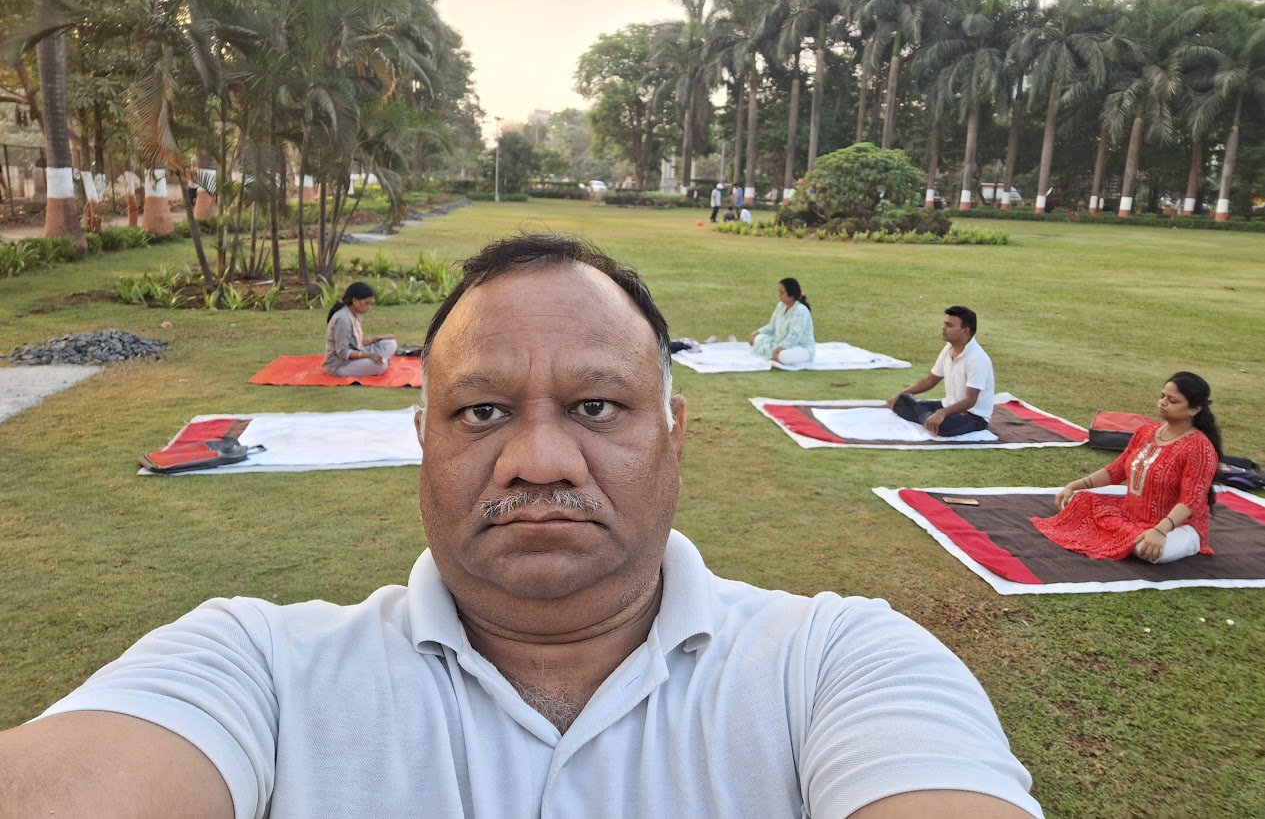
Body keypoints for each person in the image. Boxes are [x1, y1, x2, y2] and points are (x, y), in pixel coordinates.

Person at [0, 234, 1041, 819]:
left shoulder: (840, 667)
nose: (537, 459)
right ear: (424, 437)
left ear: (673, 434)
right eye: (482, 411)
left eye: (595, 407)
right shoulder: (253, 670)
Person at [1032, 372, 1220, 563]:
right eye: (1162, 396)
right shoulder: (1146, 432)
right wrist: (1074, 485)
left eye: (1172, 400)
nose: (1162, 403)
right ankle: (1128, 536)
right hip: (1130, 516)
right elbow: (1116, 470)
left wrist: (1159, 530)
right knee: (1080, 501)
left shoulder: (1199, 448)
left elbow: (1191, 501)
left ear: (1194, 409)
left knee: (1150, 551)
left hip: (1177, 526)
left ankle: (1148, 539)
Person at [886, 306, 994, 437]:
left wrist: (942, 413)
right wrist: (901, 393)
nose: (943, 328)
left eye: (949, 325)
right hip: (948, 405)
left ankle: (923, 413)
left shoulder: (977, 359)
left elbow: (970, 401)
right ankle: (926, 415)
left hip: (973, 415)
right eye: (944, 324)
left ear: (965, 331)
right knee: (900, 403)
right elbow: (930, 380)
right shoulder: (948, 349)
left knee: (942, 428)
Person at [322, 281, 397, 377]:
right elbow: (342, 352)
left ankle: (375, 361)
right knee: (382, 365)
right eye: (366, 303)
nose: (369, 307)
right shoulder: (343, 319)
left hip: (356, 352)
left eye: (371, 304)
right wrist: (369, 355)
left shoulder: (355, 314)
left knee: (390, 343)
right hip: (339, 365)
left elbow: (356, 343)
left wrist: (379, 338)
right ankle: (377, 362)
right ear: (355, 301)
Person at [748, 277, 816, 366]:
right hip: (779, 342)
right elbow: (771, 326)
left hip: (800, 347)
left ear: (791, 294)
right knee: (758, 338)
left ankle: (777, 355)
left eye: (782, 292)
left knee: (783, 356)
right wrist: (756, 333)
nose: (779, 295)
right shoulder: (781, 306)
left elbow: (794, 337)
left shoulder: (800, 310)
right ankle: (775, 353)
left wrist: (779, 349)